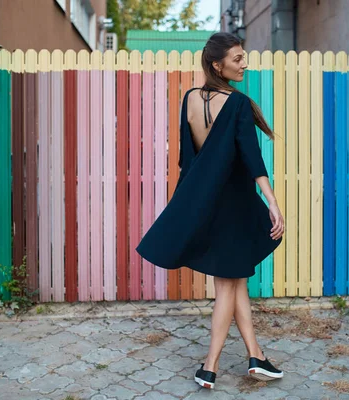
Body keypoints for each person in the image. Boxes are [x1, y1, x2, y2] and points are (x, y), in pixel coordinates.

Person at [136, 32, 285, 390]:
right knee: (227, 288)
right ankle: (210, 366)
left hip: (205, 200)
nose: (244, 64)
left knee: (235, 283)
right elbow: (251, 158)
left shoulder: (188, 99)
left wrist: (190, 202)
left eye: (244, 57)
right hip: (232, 202)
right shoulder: (236, 103)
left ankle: (256, 357)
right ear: (217, 65)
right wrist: (272, 202)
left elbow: (188, 160)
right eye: (237, 59)